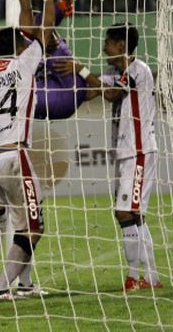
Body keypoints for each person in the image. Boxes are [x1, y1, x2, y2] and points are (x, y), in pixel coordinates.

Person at [63, 23, 160, 291]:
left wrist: (80, 68)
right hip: (126, 153)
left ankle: (133, 277)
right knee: (134, 215)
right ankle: (150, 277)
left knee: (125, 212)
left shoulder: (138, 70)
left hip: (140, 152)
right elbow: (90, 92)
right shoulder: (112, 73)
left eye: (107, 42)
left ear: (120, 45)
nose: (103, 46)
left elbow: (114, 93)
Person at [0, 20, 51, 301]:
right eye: (23, 41)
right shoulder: (23, 64)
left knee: (25, 221)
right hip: (14, 154)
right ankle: (1, 288)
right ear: (19, 47)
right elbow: (45, 29)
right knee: (34, 227)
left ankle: (24, 283)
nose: (28, 43)